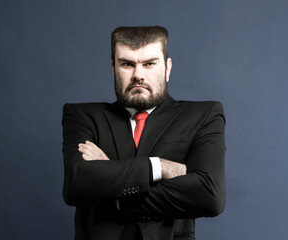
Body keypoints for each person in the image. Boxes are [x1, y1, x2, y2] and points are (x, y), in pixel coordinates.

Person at [62, 26, 226, 240]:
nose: (138, 75)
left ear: (167, 68)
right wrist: (159, 167)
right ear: (113, 68)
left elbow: (210, 196)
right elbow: (76, 185)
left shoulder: (204, 115)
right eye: (127, 64)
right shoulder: (82, 116)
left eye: (149, 64)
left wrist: (113, 187)